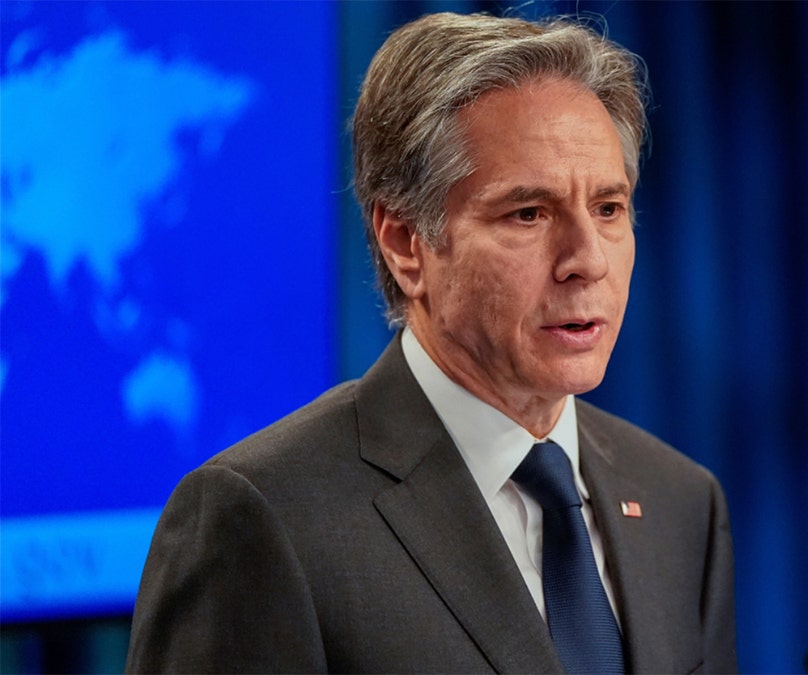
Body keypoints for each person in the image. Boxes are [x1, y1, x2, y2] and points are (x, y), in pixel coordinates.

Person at [126, 11, 737, 674]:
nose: (586, 259)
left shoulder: (681, 502)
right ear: (406, 243)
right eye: (527, 213)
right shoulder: (261, 519)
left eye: (609, 208)